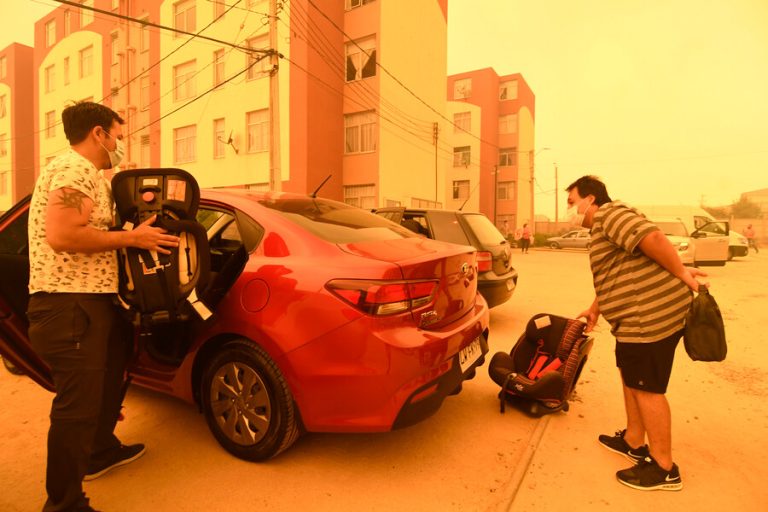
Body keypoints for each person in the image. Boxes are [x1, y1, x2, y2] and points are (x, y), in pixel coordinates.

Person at [27, 101, 180, 512]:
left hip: (89, 303)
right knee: (75, 410)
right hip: (69, 306)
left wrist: (132, 231)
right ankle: (65, 504)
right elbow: (63, 235)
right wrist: (134, 240)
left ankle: (98, 451)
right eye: (118, 132)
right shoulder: (73, 169)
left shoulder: (89, 175)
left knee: (105, 385)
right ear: (99, 133)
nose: (120, 141)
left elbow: (91, 233)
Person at [566, 175, 706, 492]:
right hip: (632, 322)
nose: (569, 209)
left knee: (646, 388)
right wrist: (595, 309)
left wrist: (683, 272)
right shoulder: (604, 227)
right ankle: (633, 441)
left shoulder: (609, 214)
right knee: (631, 377)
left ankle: (664, 468)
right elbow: (615, 274)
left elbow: (653, 239)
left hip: (649, 320)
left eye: (572, 202)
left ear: (591, 199)